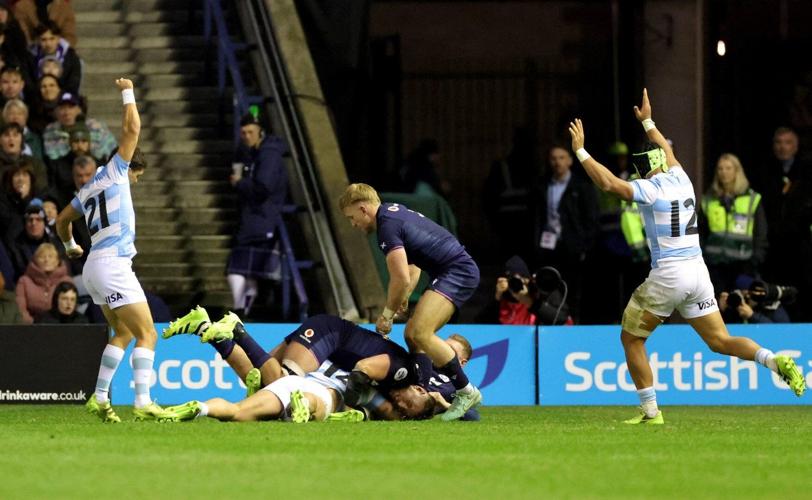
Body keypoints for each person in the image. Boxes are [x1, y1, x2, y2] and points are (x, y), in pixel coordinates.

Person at [567, 88, 805, 425]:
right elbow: (665, 149)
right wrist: (648, 120)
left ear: (641, 170)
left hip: (669, 274)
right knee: (720, 340)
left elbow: (608, 184)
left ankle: (651, 412)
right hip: (698, 272)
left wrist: (581, 152)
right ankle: (772, 361)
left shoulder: (650, 189)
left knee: (631, 338)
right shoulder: (681, 177)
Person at [54, 78, 164, 423]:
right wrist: (127, 91)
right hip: (114, 265)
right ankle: (143, 401)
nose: (135, 182)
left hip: (92, 267)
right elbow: (132, 126)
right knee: (148, 333)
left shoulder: (87, 189)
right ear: (130, 168)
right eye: (137, 176)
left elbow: (61, 220)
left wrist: (71, 245)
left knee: (123, 332)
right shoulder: (118, 171)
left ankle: (99, 397)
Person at [339, 183, 482, 420]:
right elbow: (413, 267)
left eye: (351, 217)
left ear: (363, 209)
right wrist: (404, 297)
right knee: (412, 334)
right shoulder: (394, 212)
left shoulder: (386, 227)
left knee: (421, 333)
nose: (353, 224)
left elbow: (400, 277)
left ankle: (466, 391)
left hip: (457, 272)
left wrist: (387, 314)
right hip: (451, 272)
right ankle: (425, 386)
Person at [162, 310, 439, 421]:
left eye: (404, 411)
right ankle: (237, 329)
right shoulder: (402, 371)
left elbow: (390, 411)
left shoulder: (397, 389)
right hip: (329, 334)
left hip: (327, 350)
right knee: (280, 377)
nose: (401, 405)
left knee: (257, 375)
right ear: (420, 389)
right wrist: (351, 404)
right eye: (407, 403)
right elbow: (363, 369)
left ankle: (204, 328)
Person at [225, 111, 288, 317]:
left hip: (261, 218)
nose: (246, 137)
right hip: (254, 218)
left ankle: (239, 310)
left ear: (260, 132)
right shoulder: (252, 153)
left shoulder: (268, 154)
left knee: (237, 268)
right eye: (243, 133)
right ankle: (242, 311)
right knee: (246, 271)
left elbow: (264, 187)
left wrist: (239, 183)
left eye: (250, 132)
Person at [532, 145, 599, 323]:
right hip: (548, 246)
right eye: (553, 158)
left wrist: (584, 245)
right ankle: (553, 324)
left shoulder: (581, 187)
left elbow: (591, 218)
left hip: (573, 247)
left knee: (574, 290)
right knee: (549, 289)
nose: (557, 162)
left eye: (561, 158)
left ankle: (573, 325)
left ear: (569, 161)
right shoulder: (542, 186)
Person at [699, 153, 767, 293]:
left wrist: (755, 260)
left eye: (728, 168)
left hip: (743, 266)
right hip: (714, 266)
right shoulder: (709, 200)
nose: (724, 172)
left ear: (737, 171)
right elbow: (699, 231)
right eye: (720, 169)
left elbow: (761, 234)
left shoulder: (751, 199)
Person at [43, 92, 116, 162]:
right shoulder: (50, 132)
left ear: (80, 109)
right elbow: (51, 159)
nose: (66, 112)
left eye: (71, 107)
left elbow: (112, 154)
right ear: (56, 111)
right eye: (62, 108)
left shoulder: (97, 128)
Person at [14, 241, 71, 324]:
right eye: (42, 257)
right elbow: (20, 310)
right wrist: (33, 325)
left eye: (50, 257)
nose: (46, 260)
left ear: (57, 261)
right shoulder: (24, 281)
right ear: (35, 261)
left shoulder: (66, 281)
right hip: (33, 328)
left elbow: (70, 309)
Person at [29, 20, 79, 94]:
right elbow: (29, 84)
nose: (48, 44)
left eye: (52, 39)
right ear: (38, 40)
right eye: (44, 40)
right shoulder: (30, 57)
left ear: (58, 38)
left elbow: (73, 83)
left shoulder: (70, 56)